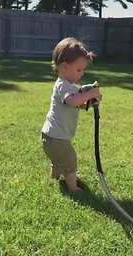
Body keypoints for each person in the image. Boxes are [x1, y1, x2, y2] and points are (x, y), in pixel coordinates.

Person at [41, 37, 102, 193]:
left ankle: (54, 179)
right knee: (69, 161)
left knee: (58, 161)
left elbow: (77, 104)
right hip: (57, 138)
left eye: (83, 70)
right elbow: (72, 102)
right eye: (79, 70)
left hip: (52, 136)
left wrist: (89, 101)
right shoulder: (63, 85)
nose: (82, 74)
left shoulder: (69, 86)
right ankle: (73, 189)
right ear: (65, 67)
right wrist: (90, 94)